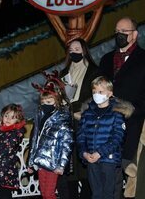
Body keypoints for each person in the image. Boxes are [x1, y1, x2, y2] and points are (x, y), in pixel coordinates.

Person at [98, 16, 145, 198]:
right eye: (117, 32)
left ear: (135, 34)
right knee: (108, 177)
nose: (120, 35)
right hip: (106, 127)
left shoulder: (143, 59)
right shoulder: (106, 59)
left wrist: (130, 110)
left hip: (134, 126)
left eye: (124, 32)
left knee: (132, 176)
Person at [77, 76, 134, 199]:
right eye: (94, 92)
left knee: (108, 193)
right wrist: (84, 153)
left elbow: (118, 137)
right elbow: (81, 136)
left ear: (109, 93)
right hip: (91, 159)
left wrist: (100, 152)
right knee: (96, 193)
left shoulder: (117, 113)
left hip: (109, 159)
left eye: (100, 92)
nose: (96, 94)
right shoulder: (87, 114)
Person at [58, 38, 98, 199]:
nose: (74, 51)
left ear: (84, 50)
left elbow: (98, 95)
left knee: (84, 161)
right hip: (67, 121)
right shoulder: (63, 73)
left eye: (77, 48)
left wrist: (84, 112)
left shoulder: (94, 70)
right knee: (70, 163)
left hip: (84, 119)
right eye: (71, 49)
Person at [27, 72, 74, 199]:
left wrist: (61, 165)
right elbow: (34, 140)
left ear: (56, 100)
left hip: (54, 162)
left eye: (49, 101)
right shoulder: (39, 116)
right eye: (43, 101)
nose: (45, 104)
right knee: (45, 194)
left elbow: (67, 144)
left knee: (49, 194)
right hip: (41, 162)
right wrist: (30, 162)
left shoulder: (62, 119)